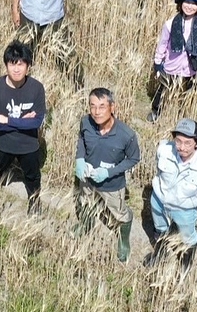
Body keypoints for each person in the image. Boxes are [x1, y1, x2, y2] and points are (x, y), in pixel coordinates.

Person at [74, 87, 141, 262]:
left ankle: (123, 240)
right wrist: (80, 158)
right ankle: (86, 225)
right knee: (86, 203)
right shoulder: (85, 122)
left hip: (112, 184)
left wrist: (109, 172)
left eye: (102, 106)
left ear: (113, 107)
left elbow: (133, 158)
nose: (96, 112)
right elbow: (82, 139)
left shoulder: (127, 135)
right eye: (92, 106)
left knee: (120, 214)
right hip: (87, 178)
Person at [0, 41, 47, 214]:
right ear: (6, 65)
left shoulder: (37, 89)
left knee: (33, 177)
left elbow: (37, 122)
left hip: (29, 145)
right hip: (3, 143)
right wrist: (22, 121)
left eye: (21, 64)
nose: (16, 69)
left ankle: (34, 201)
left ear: (28, 66)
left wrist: (7, 120)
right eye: (12, 64)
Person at [147, 118, 197, 272]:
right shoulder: (163, 149)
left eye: (187, 143)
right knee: (160, 229)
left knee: (188, 238)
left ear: (196, 144)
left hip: (184, 210)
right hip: (158, 201)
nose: (182, 147)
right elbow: (159, 171)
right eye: (178, 141)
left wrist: (193, 201)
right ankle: (159, 256)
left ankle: (184, 266)